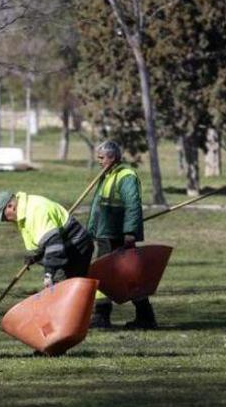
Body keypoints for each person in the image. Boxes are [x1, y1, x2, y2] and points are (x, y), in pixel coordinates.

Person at [87, 140, 156, 329]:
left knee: (127, 276)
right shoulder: (106, 175)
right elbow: (98, 208)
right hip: (105, 235)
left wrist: (130, 232)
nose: (99, 161)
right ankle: (104, 315)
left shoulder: (126, 176)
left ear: (113, 157)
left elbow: (133, 206)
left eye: (102, 158)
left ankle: (143, 316)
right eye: (98, 158)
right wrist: (92, 230)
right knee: (108, 274)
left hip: (117, 236)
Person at [0, 191, 94, 288]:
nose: (5, 220)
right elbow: (46, 242)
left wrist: (48, 274)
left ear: (11, 206)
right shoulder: (24, 213)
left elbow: (54, 246)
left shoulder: (35, 211)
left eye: (3, 216)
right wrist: (37, 257)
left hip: (77, 248)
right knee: (57, 287)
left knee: (60, 287)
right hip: (65, 249)